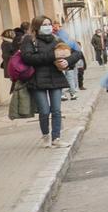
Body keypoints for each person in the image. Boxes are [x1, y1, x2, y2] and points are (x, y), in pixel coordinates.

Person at [19, 16, 72, 149]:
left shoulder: (56, 39)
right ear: (37, 26)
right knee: (44, 111)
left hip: (56, 77)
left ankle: (56, 138)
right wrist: (52, 56)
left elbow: (73, 52)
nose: (48, 26)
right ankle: (46, 135)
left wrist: (67, 61)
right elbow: (28, 58)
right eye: (44, 24)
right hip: (37, 79)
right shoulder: (29, 40)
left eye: (49, 24)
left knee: (56, 110)